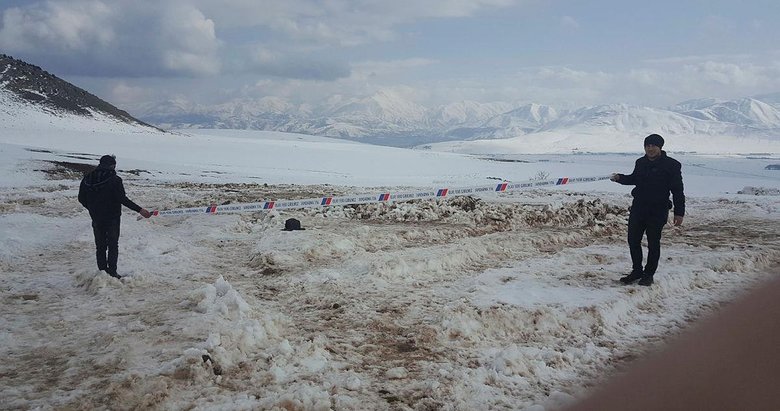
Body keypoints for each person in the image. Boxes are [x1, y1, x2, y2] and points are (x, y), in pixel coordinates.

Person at [610, 134, 684, 286]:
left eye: (653, 145)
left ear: (660, 147)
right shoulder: (640, 162)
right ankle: (637, 270)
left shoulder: (672, 165)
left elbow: (678, 190)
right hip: (639, 207)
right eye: (647, 145)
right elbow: (634, 179)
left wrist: (679, 212)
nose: (650, 148)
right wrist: (619, 178)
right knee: (633, 240)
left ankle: (649, 274)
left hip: (658, 209)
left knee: (653, 242)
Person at [78, 155, 152, 279]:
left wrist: (92, 208)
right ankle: (112, 272)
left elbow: (81, 198)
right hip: (112, 217)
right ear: (112, 165)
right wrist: (140, 210)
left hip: (96, 217)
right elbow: (122, 199)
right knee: (113, 245)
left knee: (100, 246)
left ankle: (102, 271)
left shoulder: (87, 178)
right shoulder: (115, 180)